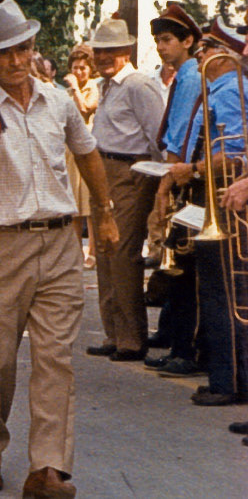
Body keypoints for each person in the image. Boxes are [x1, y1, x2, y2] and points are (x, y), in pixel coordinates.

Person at [0, 0, 118, 498]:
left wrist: (105, 212)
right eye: (4, 52)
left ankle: (49, 468)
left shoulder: (58, 100)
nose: (16, 60)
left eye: (23, 49)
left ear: (33, 48)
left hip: (59, 243)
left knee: (55, 360)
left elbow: (87, 154)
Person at [163, 19, 247, 406]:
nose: (201, 56)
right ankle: (225, 375)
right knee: (215, 290)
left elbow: (233, 153)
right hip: (213, 193)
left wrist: (193, 170)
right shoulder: (218, 89)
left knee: (224, 292)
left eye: (207, 49)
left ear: (223, 54)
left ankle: (229, 380)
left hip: (226, 197)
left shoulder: (231, 90)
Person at [86, 18, 165, 362]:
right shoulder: (108, 85)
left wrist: (160, 182)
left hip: (130, 171)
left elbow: (157, 137)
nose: (103, 57)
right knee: (105, 253)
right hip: (103, 168)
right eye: (99, 51)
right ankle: (114, 334)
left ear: (127, 51)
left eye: (111, 51)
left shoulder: (138, 85)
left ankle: (132, 339)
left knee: (122, 253)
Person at [145, 2, 203, 377]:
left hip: (186, 177)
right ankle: (175, 338)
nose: (160, 47)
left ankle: (186, 348)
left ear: (187, 41)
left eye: (167, 40)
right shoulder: (183, 75)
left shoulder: (193, 77)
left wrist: (165, 185)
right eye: (158, 41)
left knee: (184, 267)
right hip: (179, 171)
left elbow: (184, 134)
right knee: (179, 265)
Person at [63, 44, 99, 268]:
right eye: (75, 68)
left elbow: (86, 109)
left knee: (90, 204)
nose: (78, 72)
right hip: (70, 151)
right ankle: (76, 252)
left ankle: (92, 252)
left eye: (82, 68)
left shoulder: (93, 87)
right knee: (74, 205)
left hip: (88, 147)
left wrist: (76, 88)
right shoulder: (67, 93)